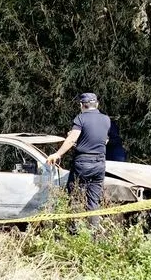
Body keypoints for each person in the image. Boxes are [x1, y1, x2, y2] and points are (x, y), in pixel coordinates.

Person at [46, 92, 111, 229]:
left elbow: (72, 139)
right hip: (100, 163)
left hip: (83, 163)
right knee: (93, 201)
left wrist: (57, 154)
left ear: (82, 105)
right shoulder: (106, 119)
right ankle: (93, 233)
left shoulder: (80, 118)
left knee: (75, 195)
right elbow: (103, 140)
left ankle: (73, 232)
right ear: (97, 104)